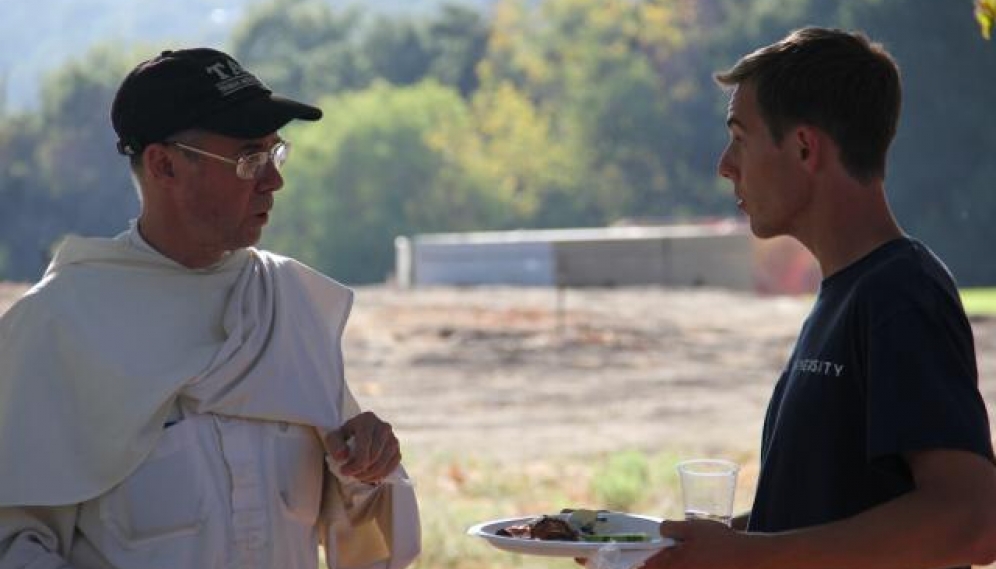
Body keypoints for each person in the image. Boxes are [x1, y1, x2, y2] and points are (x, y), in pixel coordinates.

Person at [0, 48, 420, 569]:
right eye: (249, 159)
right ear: (164, 165)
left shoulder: (287, 305)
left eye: (275, 153)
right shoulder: (59, 326)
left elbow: (365, 536)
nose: (273, 181)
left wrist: (368, 468)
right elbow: (14, 542)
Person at [642, 27, 996, 569]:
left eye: (740, 136)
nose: (724, 164)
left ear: (805, 148)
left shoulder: (902, 293)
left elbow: (972, 520)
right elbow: (829, 516)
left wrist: (747, 557)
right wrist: (688, 548)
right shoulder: (849, 294)